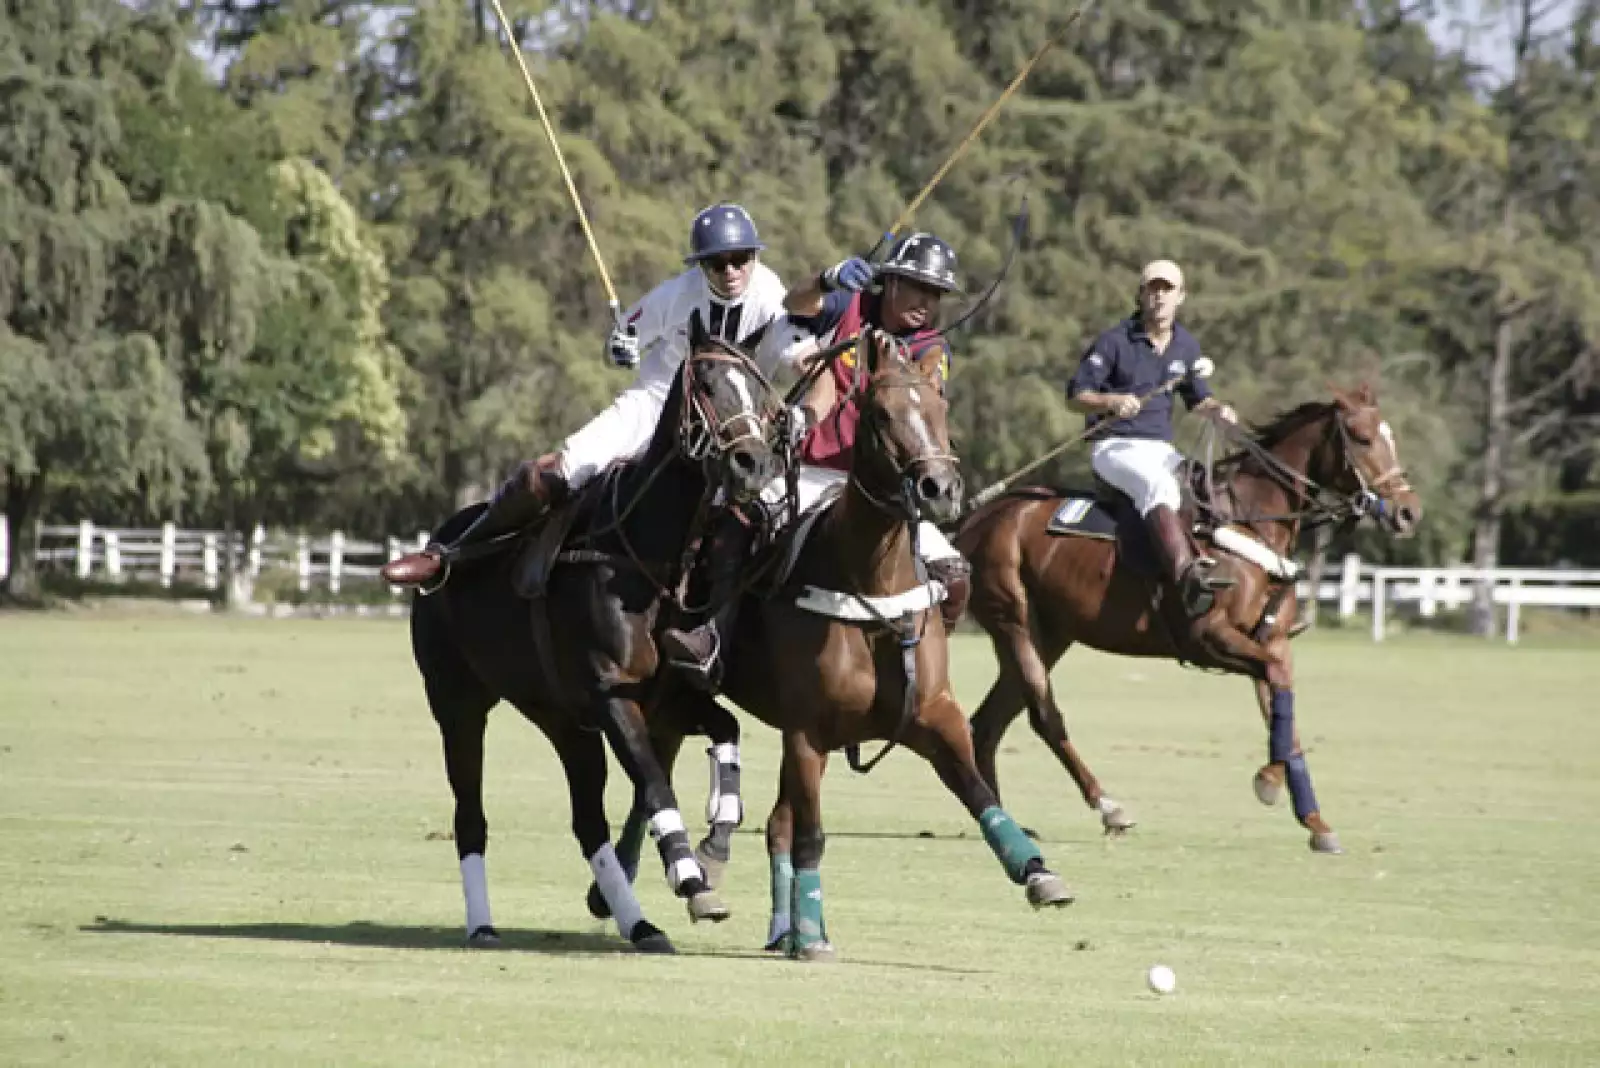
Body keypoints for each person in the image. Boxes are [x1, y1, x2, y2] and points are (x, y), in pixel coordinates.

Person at [381, 203, 789, 590]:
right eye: (718, 262)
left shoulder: (772, 297)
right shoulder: (676, 295)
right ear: (701, 266)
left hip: (738, 420)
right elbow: (626, 335)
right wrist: (621, 346)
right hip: (657, 402)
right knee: (556, 472)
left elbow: (797, 353)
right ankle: (448, 557)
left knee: (772, 511)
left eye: (742, 258)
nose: (732, 271)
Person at [657, 231, 970, 688]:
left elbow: (922, 398)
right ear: (890, 282)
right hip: (810, 469)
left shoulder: (929, 347)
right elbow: (795, 304)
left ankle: (921, 669)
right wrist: (829, 280)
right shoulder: (850, 306)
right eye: (916, 286)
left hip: (876, 490)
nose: (926, 301)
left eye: (935, 293)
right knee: (739, 522)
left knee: (956, 577)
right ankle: (713, 637)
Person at [1065, 258, 1238, 617]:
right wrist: (1110, 400)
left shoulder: (1186, 347)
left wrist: (1217, 410)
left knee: (1210, 487)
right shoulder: (1114, 341)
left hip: (1159, 449)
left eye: (1167, 289)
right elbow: (1076, 397)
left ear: (1181, 297)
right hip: (1114, 446)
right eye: (1152, 288)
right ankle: (1184, 576)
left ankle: (1228, 572)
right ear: (1141, 295)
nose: (1159, 296)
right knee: (1159, 486)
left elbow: (1197, 398)